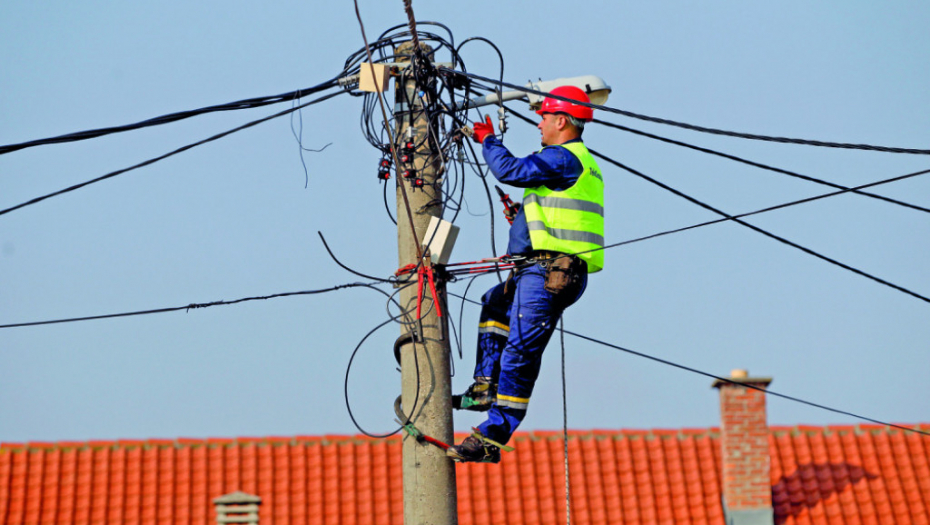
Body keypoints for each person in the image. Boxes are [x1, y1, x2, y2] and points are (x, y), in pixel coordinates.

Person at [447, 86, 605, 463]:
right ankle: (485, 386)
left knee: (520, 352)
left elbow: (510, 170)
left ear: (561, 121)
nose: (539, 124)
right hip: (540, 269)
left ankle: (493, 435)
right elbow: (549, 207)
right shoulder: (567, 163)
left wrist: (488, 140)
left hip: (552, 272)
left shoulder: (565, 157)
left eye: (544, 117)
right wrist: (521, 217)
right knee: (494, 304)